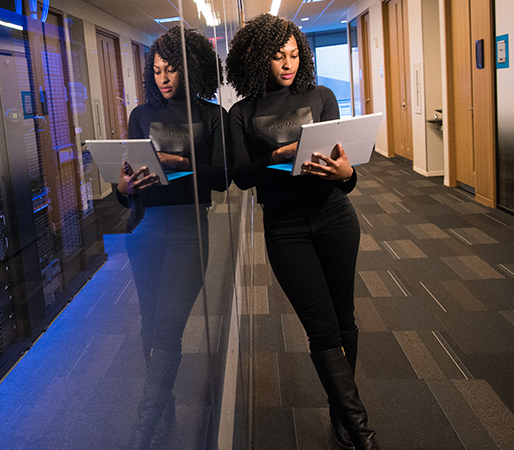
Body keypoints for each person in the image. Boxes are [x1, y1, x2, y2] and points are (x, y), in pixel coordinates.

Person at [224, 14, 379, 450]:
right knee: (321, 327)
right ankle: (362, 432)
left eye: (294, 54)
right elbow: (240, 175)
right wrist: (284, 154)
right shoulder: (242, 112)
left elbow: (343, 176)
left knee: (344, 317)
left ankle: (341, 412)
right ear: (257, 58)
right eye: (278, 56)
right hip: (285, 229)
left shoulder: (322, 96)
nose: (288, 64)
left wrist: (347, 173)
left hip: (335, 218)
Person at [116, 26, 227, 449]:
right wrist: (124, 188)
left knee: (168, 325)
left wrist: (179, 160)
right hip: (146, 228)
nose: (163, 78)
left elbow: (222, 179)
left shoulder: (211, 115)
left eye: (172, 69)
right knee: (150, 326)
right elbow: (125, 186)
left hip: (189, 229)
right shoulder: (141, 115)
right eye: (158, 70)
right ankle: (162, 408)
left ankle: (143, 428)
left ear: (191, 68)